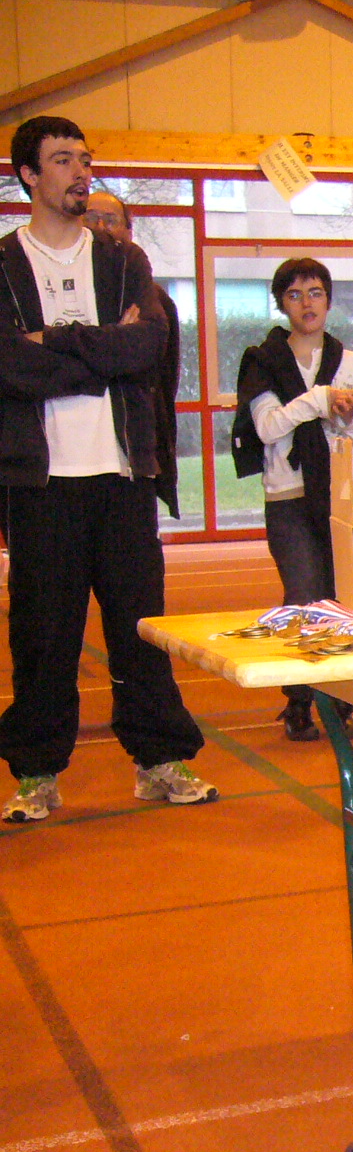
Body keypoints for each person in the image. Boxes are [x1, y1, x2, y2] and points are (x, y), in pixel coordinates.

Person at [0, 115, 216, 823]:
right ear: (29, 175)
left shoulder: (124, 262)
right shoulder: (3, 265)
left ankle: (160, 760)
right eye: (63, 160)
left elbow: (145, 347)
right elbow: (8, 365)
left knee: (140, 629)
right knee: (43, 635)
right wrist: (97, 352)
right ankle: (36, 773)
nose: (80, 173)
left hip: (123, 480)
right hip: (39, 486)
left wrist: (53, 345)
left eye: (85, 159)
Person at [232, 258, 353, 741]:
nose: (307, 303)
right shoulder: (263, 361)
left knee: (344, 600)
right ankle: (298, 700)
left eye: (315, 293)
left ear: (329, 300)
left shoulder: (351, 361)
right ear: (282, 303)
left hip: (344, 494)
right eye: (294, 295)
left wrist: (346, 413)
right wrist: (320, 400)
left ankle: (340, 702)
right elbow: (267, 427)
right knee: (303, 596)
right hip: (289, 497)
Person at [82, 190, 180, 496]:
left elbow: (160, 373)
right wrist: (119, 340)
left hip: (133, 447)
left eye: (110, 220)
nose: (100, 227)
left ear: (128, 231)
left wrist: (91, 346)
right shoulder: (66, 289)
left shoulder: (153, 299)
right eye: (90, 218)